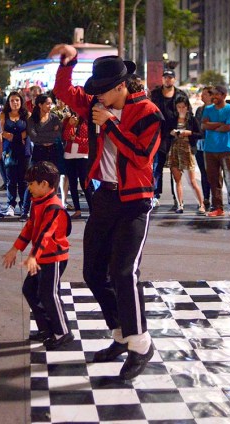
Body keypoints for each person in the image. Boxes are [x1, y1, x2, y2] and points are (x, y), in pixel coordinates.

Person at [51, 44, 162, 380]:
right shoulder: (97, 107)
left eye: (102, 91)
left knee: (125, 272)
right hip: (103, 199)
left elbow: (142, 157)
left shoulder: (149, 113)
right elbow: (63, 92)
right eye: (94, 91)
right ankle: (121, 335)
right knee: (94, 274)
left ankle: (141, 344)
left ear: (120, 87)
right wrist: (66, 64)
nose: (96, 97)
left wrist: (112, 125)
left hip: (135, 201)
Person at [2, 161, 72, 349]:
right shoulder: (38, 202)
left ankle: (63, 332)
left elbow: (45, 235)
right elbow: (31, 227)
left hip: (54, 258)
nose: (29, 188)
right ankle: (46, 330)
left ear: (44, 185)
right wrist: (15, 248)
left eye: (32, 184)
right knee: (30, 290)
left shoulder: (54, 207)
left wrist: (33, 256)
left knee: (49, 294)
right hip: (40, 257)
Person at [201, 85, 230, 219]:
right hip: (209, 149)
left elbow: (228, 127)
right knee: (213, 180)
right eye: (212, 94)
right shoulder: (208, 109)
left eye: (216, 94)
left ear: (224, 95)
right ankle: (217, 207)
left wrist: (212, 125)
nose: (213, 97)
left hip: (225, 149)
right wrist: (219, 124)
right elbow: (203, 125)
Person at [150, 70, 188, 208]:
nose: (168, 80)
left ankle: (176, 197)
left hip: (175, 136)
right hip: (158, 134)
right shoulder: (155, 94)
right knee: (156, 167)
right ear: (162, 79)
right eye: (165, 77)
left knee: (175, 169)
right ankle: (155, 195)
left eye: (170, 78)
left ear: (174, 79)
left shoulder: (181, 95)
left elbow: (187, 113)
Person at [22, 94, 62, 220]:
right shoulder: (32, 120)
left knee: (53, 180)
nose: (50, 106)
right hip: (38, 151)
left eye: (51, 103)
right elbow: (34, 137)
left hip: (53, 151)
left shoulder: (55, 118)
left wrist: (44, 135)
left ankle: (51, 208)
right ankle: (25, 210)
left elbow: (57, 135)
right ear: (40, 105)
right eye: (48, 103)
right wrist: (48, 134)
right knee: (33, 180)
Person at [166, 96, 204, 213]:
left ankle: (201, 204)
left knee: (192, 180)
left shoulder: (191, 119)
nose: (181, 109)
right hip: (174, 150)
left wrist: (189, 133)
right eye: (179, 107)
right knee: (177, 179)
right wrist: (172, 132)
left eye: (183, 107)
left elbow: (200, 134)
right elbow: (165, 133)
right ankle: (180, 205)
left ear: (187, 107)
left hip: (188, 150)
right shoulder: (172, 119)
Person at [0, 91, 30, 216]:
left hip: (24, 151)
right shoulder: (3, 115)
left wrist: (13, 136)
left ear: (21, 101)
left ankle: (24, 204)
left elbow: (29, 131)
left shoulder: (27, 115)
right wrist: (10, 136)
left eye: (17, 100)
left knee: (24, 180)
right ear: (8, 102)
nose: (15, 103)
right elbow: (1, 132)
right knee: (11, 179)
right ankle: (11, 204)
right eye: (12, 100)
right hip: (9, 151)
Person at [62, 108, 92, 218]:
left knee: (85, 183)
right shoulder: (68, 120)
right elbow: (65, 137)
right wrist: (69, 125)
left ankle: (92, 209)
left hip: (82, 155)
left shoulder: (87, 121)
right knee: (73, 184)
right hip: (69, 155)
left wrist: (76, 139)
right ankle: (77, 210)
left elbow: (90, 140)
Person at [193, 86, 213, 211]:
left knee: (213, 173)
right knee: (204, 173)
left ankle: (215, 199)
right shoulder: (200, 110)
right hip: (200, 144)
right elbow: (198, 126)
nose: (202, 96)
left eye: (205, 94)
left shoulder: (215, 109)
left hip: (212, 145)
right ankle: (206, 197)